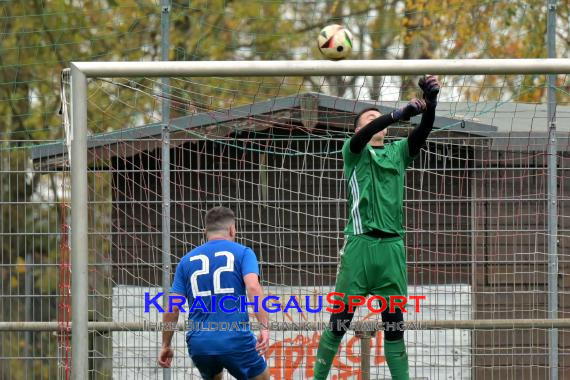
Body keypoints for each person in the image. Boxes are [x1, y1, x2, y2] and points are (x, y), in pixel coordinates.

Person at [313, 76, 441, 380]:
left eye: (379, 118)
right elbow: (365, 133)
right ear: (360, 129)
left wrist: (430, 103)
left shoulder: (398, 152)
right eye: (370, 118)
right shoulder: (353, 151)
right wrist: (397, 114)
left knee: (394, 329)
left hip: (392, 250)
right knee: (339, 324)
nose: (376, 122)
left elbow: (422, 131)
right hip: (359, 245)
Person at [158, 206, 270, 380]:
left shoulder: (186, 261)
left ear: (205, 232)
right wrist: (264, 327)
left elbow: (172, 308)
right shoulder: (244, 253)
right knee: (262, 377)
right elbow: (253, 288)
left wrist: (166, 344)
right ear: (232, 229)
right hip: (235, 338)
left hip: (200, 343)